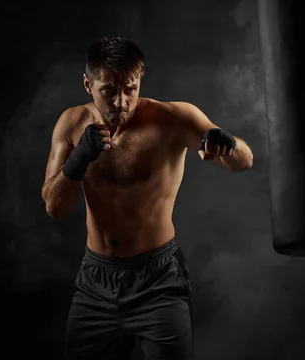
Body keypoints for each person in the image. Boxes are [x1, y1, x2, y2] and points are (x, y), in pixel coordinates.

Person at [42, 36, 254, 360]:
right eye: (109, 91)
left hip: (159, 282)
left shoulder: (172, 118)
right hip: (95, 284)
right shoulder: (72, 124)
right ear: (88, 84)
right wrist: (77, 162)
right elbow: (54, 207)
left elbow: (244, 161)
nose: (121, 102)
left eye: (130, 88)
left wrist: (227, 144)